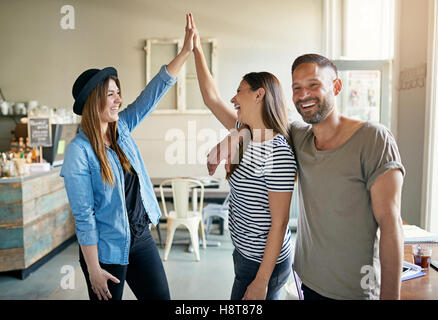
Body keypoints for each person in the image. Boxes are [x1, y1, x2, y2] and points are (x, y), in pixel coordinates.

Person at [208, 53, 405, 300]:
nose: (303, 95)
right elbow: (258, 124)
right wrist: (233, 137)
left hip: (355, 291)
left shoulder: (374, 139)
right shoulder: (300, 137)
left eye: (313, 84)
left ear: (336, 86)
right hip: (309, 283)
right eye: (297, 88)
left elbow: (391, 226)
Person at [60, 14, 195, 300]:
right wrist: (93, 268)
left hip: (142, 239)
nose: (118, 99)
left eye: (118, 93)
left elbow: (152, 94)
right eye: (111, 94)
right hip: (106, 250)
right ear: (93, 101)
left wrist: (184, 53)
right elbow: (84, 217)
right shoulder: (78, 152)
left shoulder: (123, 129)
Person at [189, 13, 297, 300]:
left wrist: (262, 281)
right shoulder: (245, 132)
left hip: (265, 266)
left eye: (239, 91)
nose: (233, 98)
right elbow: (210, 97)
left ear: (259, 94)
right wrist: (197, 50)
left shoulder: (279, 152)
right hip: (244, 254)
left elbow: (280, 222)